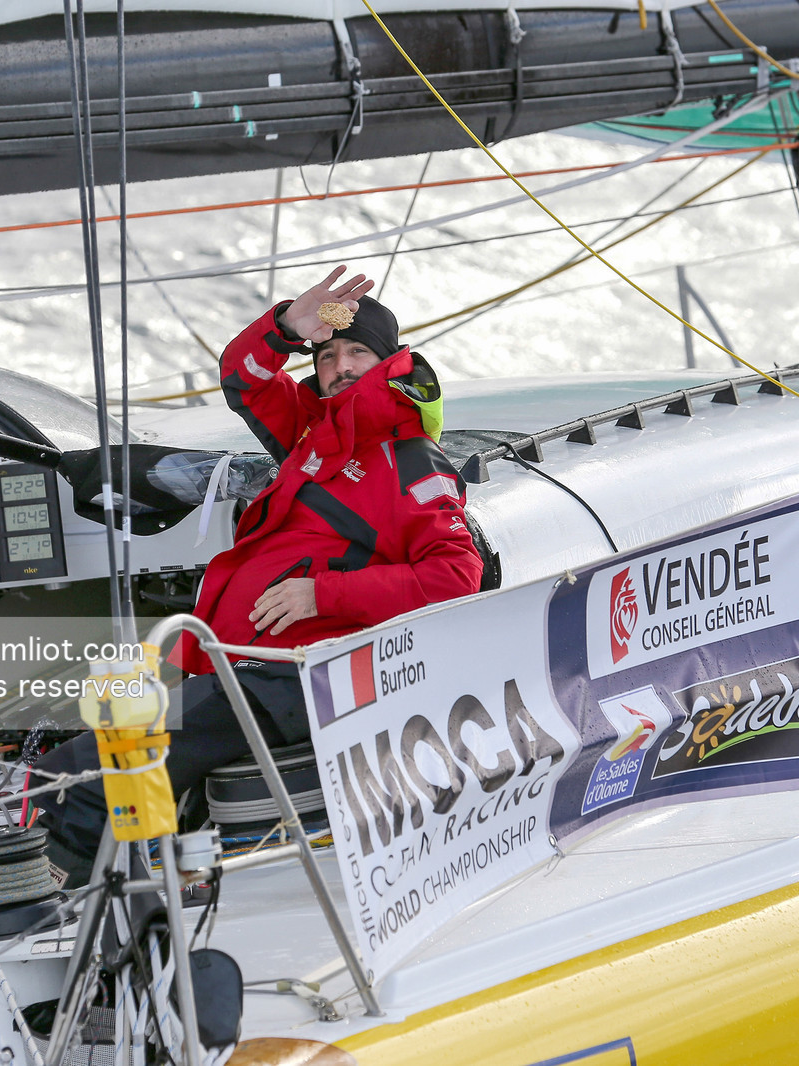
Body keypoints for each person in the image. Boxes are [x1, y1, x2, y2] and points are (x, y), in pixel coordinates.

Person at [35, 266, 483, 881]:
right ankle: (128, 888)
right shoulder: (310, 433)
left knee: (76, 776)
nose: (341, 365)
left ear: (390, 361)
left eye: (358, 351)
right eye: (327, 354)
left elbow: (456, 576)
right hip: (237, 662)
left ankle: (35, 916)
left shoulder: (406, 460)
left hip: (293, 678)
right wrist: (287, 327)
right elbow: (243, 380)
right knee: (85, 726)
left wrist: (321, 593)